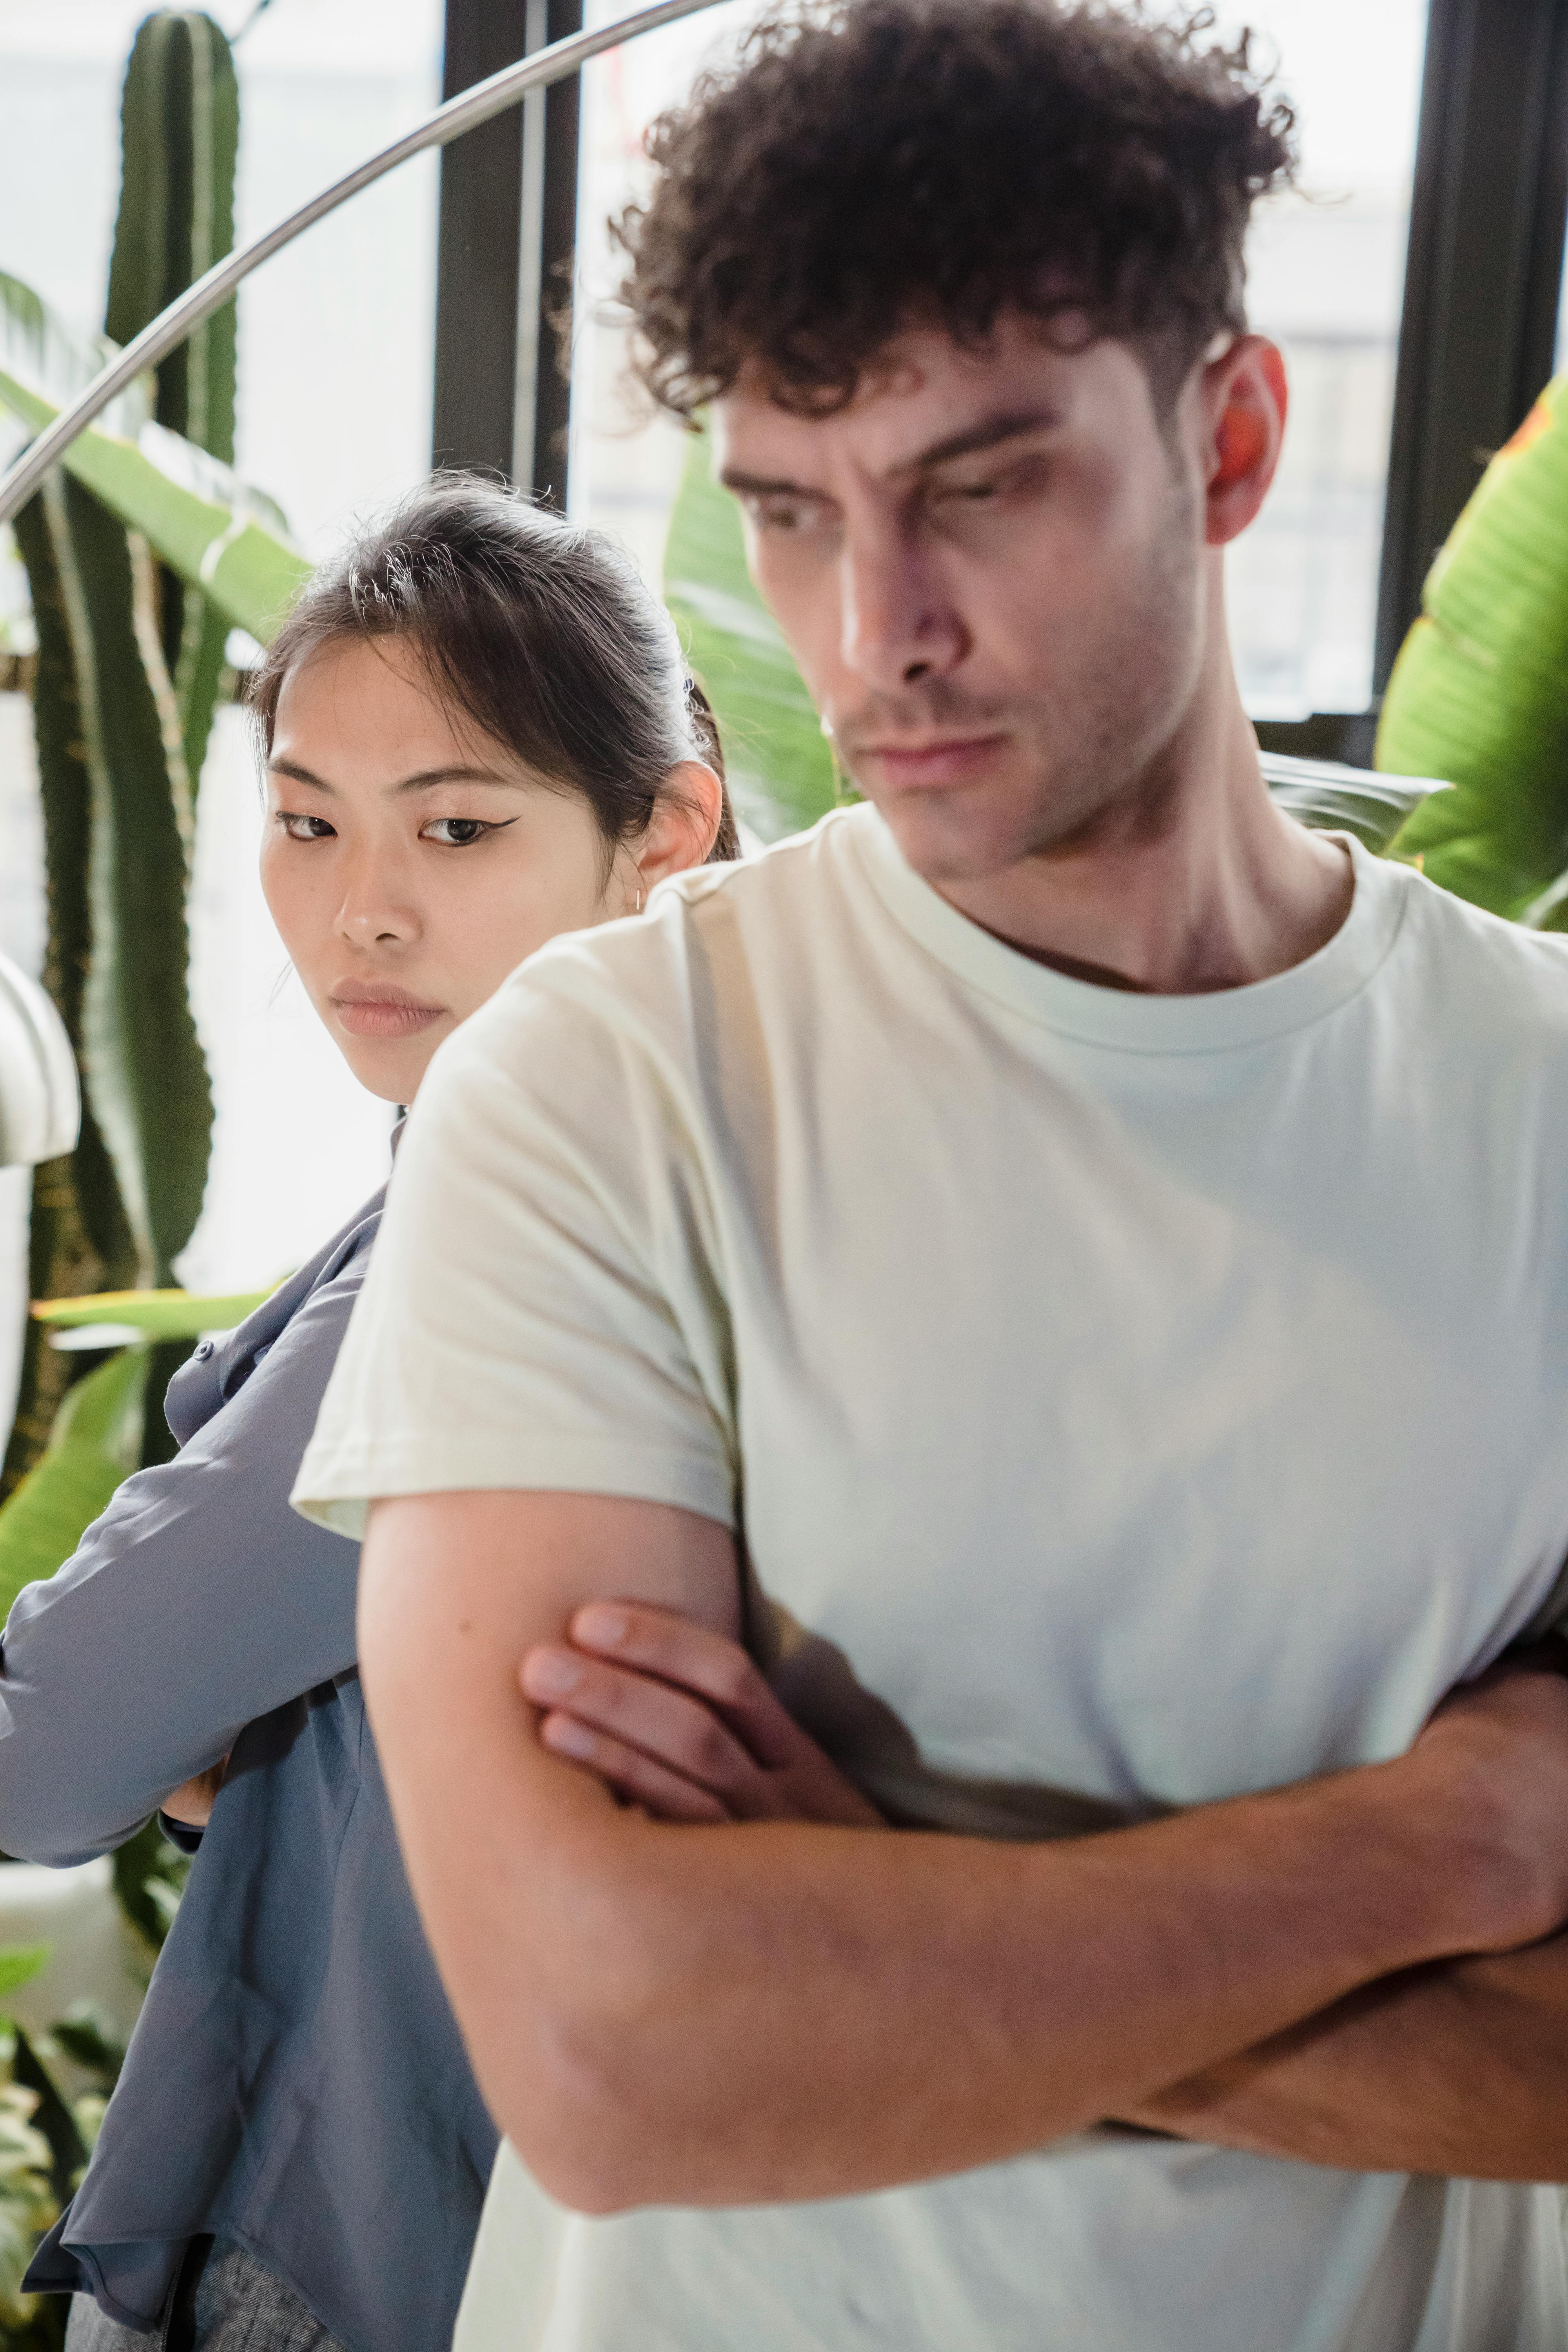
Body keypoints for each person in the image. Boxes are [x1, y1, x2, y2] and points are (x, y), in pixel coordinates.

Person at [294, 5, 1568, 2349]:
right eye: (791, 509)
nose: (875, 634)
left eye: (979, 486)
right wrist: (1445, 1849)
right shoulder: (607, 1087)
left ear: (1235, 437)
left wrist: (872, 1934)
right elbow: (616, 2051)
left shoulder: (1546, 1104)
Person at [0, 476, 734, 2352]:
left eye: (458, 826)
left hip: (361, 2233)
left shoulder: (534, 1211)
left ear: (664, 833)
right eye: (307, 823)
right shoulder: (700, 1142)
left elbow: (49, 1741)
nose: (361, 910)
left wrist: (207, 1724)